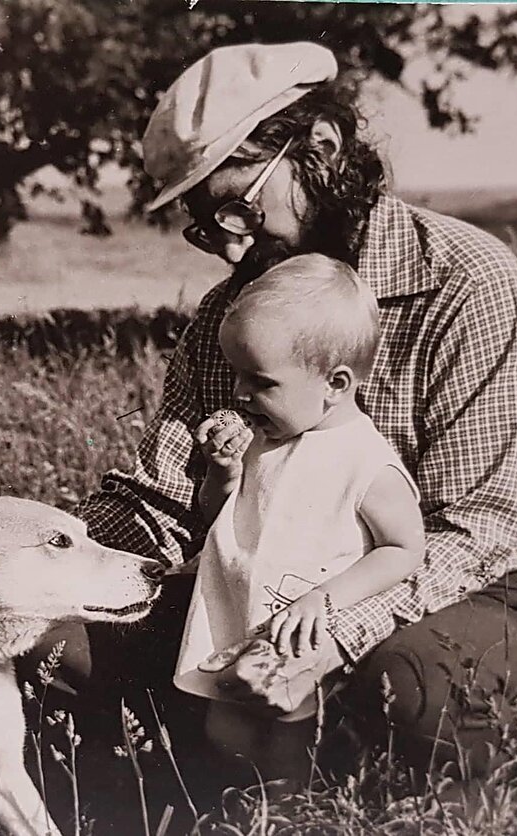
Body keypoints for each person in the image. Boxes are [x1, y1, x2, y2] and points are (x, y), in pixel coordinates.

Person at [0, 41, 517, 789]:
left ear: (322, 149)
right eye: (205, 226)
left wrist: (330, 632)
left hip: (460, 582)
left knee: (406, 689)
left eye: (241, 207)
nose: (232, 245)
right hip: (254, 583)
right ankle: (163, 793)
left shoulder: (468, 284)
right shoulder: (230, 314)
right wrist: (2, 540)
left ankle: (410, 793)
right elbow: (157, 497)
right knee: (56, 649)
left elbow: (486, 524)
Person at [173, 253, 425, 779]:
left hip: (302, 631)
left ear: (335, 383)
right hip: (236, 615)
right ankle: (232, 809)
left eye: (260, 382)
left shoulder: (366, 463)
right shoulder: (262, 440)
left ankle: (290, 812)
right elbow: (220, 519)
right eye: (236, 376)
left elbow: (405, 550)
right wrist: (221, 476)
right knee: (225, 733)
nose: (240, 394)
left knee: (289, 735)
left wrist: (325, 599)